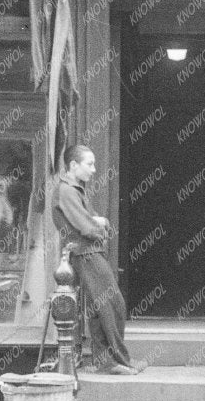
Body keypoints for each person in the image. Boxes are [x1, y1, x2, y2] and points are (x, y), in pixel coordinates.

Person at [51, 144, 139, 374]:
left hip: (86, 252)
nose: (93, 169)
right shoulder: (67, 191)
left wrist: (95, 222)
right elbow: (85, 226)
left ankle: (105, 362)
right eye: (89, 164)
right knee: (113, 305)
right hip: (85, 252)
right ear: (73, 165)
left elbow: (86, 221)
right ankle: (118, 361)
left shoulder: (73, 189)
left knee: (100, 307)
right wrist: (100, 226)